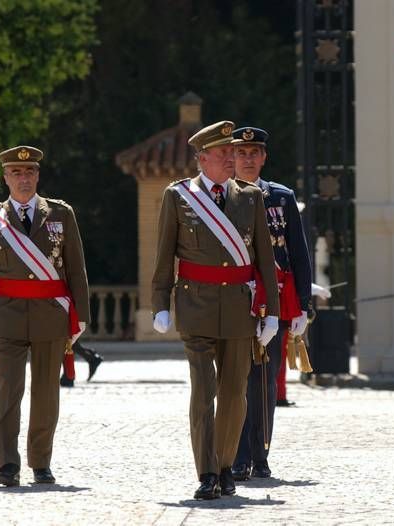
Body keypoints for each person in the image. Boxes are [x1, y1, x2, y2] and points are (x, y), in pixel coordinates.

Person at [151, 120, 279, 500]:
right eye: (223, 153)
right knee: (203, 392)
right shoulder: (179, 198)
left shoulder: (250, 197)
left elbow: (264, 260)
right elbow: (164, 257)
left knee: (234, 393)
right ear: (202, 158)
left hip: (239, 309)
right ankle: (207, 472)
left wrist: (271, 311)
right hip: (196, 305)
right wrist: (160, 304)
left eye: (234, 152)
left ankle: (225, 465)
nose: (231, 159)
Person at [0, 145, 89, 487]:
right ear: (6, 178)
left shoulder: (60, 214)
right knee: (8, 391)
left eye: (29, 172)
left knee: (46, 393)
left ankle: (41, 462)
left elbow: (76, 270)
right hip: (6, 316)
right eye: (16, 173)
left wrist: (80, 316)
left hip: (50, 315)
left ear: (38, 175)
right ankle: (7, 465)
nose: (23, 179)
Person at [228, 126, 311, 481]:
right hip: (233, 300)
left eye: (254, 153)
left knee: (264, 381)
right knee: (235, 380)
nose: (248, 159)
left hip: (274, 302)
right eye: (241, 154)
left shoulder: (281, 197)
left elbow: (298, 253)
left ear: (263, 158)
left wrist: (304, 306)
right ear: (231, 158)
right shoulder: (220, 198)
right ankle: (237, 455)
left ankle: (260, 454)